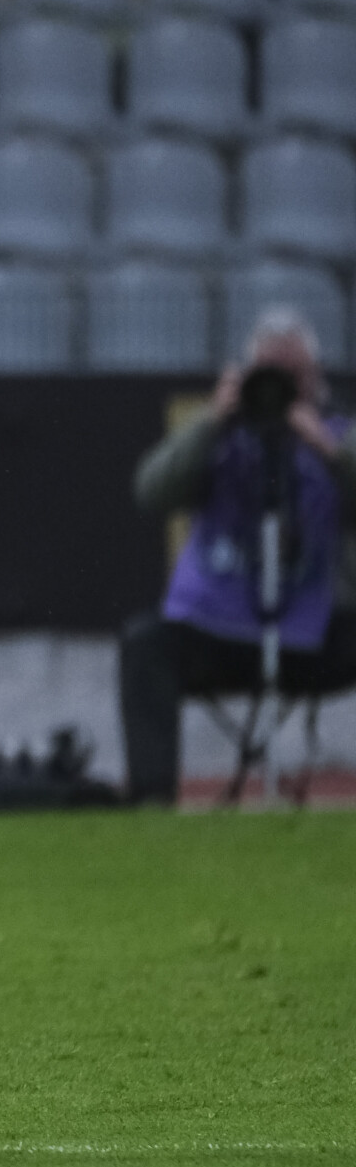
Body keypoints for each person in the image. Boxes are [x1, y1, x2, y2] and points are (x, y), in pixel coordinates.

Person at [120, 310, 356, 802]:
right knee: (145, 646)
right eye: (269, 375)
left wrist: (324, 447)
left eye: (294, 377)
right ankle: (151, 809)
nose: (281, 389)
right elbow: (152, 491)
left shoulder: (337, 436)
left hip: (317, 632)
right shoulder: (218, 442)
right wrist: (213, 420)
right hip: (219, 629)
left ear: (315, 380)